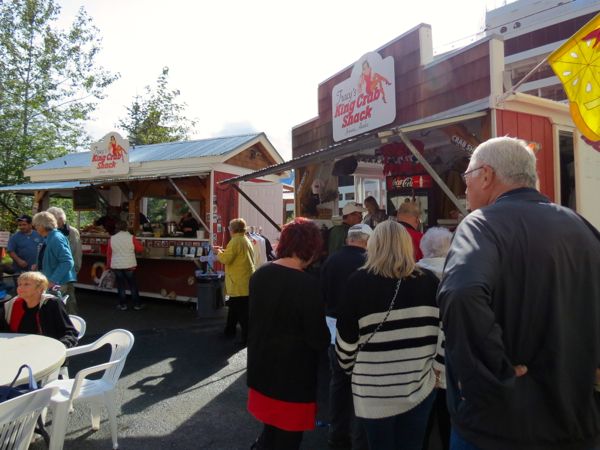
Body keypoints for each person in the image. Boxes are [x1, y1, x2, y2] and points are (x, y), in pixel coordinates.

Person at [438, 137, 600, 450]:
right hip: (579, 423)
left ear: (486, 176)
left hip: (499, 428)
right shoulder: (581, 225)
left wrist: (483, 375)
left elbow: (461, 292)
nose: (466, 188)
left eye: (467, 177)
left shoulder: (480, 225)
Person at [336, 220, 444, 450]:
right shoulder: (430, 281)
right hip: (419, 386)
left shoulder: (357, 281)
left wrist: (351, 370)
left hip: (373, 390)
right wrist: (437, 372)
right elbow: (445, 333)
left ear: (374, 245)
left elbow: (345, 342)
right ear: (407, 246)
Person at [247, 218, 330, 450]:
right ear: (311, 247)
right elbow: (318, 339)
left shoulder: (260, 274)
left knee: (269, 430)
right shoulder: (308, 284)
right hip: (293, 377)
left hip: (261, 368)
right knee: (288, 438)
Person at [321, 223, 372, 450]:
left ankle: (337, 433)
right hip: (362, 332)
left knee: (339, 381)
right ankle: (359, 438)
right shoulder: (369, 262)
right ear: (367, 240)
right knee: (361, 386)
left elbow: (322, 295)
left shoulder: (331, 260)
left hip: (334, 328)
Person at [416, 227, 453, 450]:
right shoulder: (459, 273)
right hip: (450, 360)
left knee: (420, 425)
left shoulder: (410, 275)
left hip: (418, 362)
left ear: (423, 249)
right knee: (449, 420)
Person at [0, 271, 78, 349]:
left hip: (46, 350)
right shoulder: (12, 304)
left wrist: (58, 348)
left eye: (26, 284)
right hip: (18, 348)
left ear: (40, 287)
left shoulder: (51, 303)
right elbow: (3, 329)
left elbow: (69, 333)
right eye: (19, 284)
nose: (20, 288)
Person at [214, 218, 255, 344]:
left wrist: (219, 253)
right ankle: (229, 330)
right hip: (245, 279)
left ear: (233, 229)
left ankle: (247, 337)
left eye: (229, 228)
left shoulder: (234, 241)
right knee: (234, 308)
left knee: (242, 311)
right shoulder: (245, 239)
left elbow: (226, 259)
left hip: (238, 280)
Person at [32, 212, 77, 310]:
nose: (35, 228)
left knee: (55, 310)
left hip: (58, 283)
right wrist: (39, 265)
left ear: (42, 225)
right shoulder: (50, 237)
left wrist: (52, 281)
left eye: (35, 225)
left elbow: (67, 262)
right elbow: (52, 257)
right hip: (54, 281)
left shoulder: (56, 238)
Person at [47, 207, 82, 315]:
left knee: (69, 302)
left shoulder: (71, 232)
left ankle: (74, 326)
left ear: (61, 219)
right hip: (50, 273)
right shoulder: (49, 232)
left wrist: (74, 271)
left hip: (66, 273)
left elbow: (76, 253)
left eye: (52, 219)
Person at [107, 221, 145, 310]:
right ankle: (137, 304)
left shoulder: (112, 238)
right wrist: (141, 245)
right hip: (129, 265)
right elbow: (139, 249)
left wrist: (109, 265)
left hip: (116, 265)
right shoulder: (131, 238)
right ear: (126, 227)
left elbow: (109, 253)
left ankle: (122, 305)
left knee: (120, 285)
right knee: (132, 285)